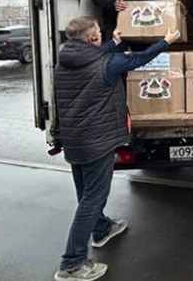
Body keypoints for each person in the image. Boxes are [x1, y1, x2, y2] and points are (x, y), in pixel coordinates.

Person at [52, 16, 181, 281]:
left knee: (86, 194)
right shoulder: (108, 64)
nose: (102, 35)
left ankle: (101, 229)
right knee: (92, 199)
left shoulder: (63, 62)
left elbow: (95, 58)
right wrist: (165, 42)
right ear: (91, 39)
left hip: (75, 138)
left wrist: (113, 42)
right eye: (100, 33)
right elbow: (137, 59)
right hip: (97, 140)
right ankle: (72, 263)